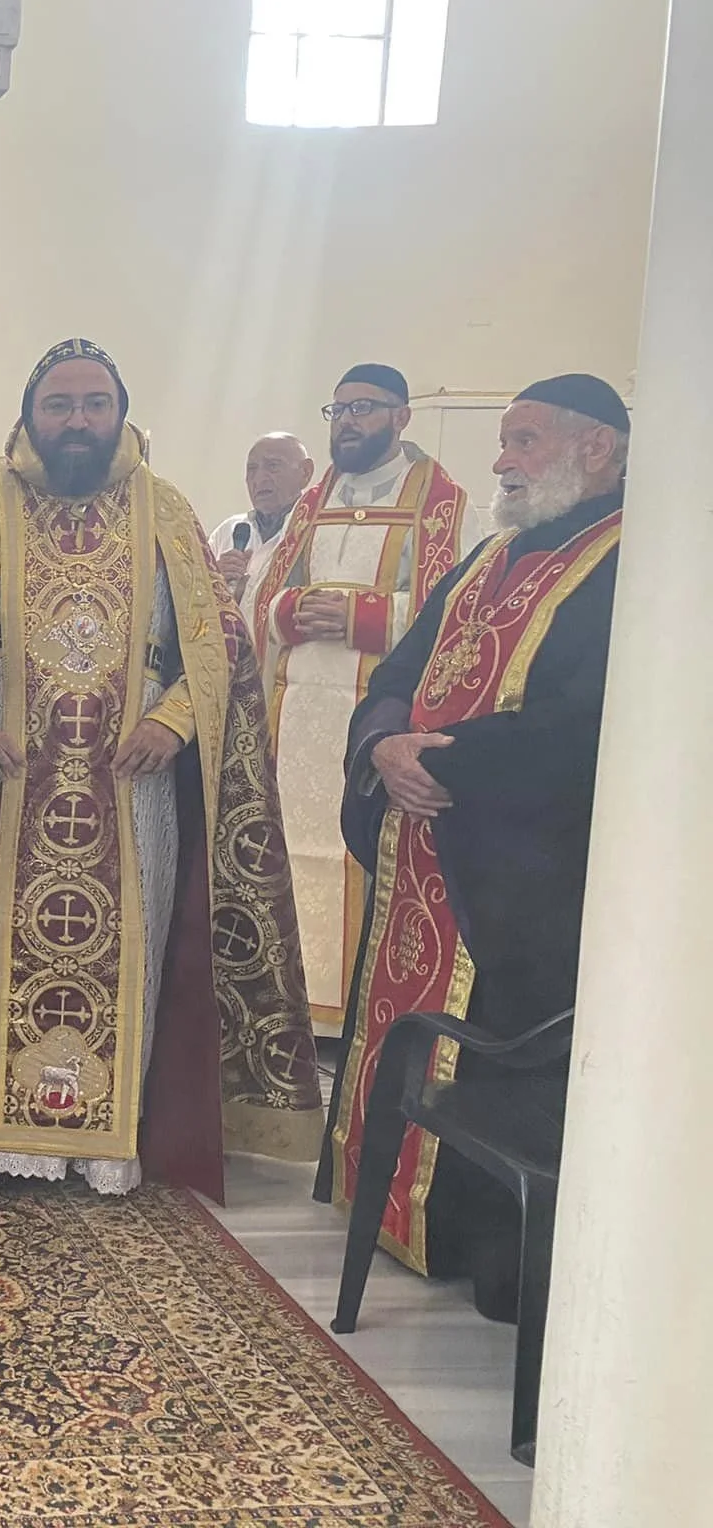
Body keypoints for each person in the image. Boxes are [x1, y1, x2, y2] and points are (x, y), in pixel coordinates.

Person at [0, 339, 322, 1203]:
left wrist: (175, 723)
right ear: (30, 414)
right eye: (59, 404)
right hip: (5, 775)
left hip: (129, 778)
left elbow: (219, 644)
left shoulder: (166, 511)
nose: (77, 420)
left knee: (126, 945)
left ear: (121, 413)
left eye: (94, 403)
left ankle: (106, 1146)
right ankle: (7, 1136)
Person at [317, 374, 628, 1317]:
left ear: (598, 451)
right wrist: (382, 742)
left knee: (493, 1060)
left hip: (517, 881)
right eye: (505, 441)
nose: (502, 460)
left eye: (524, 442)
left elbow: (588, 726)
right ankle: (391, 1203)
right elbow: (403, 666)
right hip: (428, 852)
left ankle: (467, 1238)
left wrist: (443, 760)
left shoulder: (630, 565)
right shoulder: (491, 557)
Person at [248, 365, 480, 1033]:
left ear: (402, 417)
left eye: (364, 409)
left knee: (355, 857)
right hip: (293, 720)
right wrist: (292, 608)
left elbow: (456, 613)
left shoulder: (441, 503)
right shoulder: (312, 499)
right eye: (339, 409)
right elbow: (262, 595)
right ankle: (282, 1003)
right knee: (285, 848)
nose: (347, 422)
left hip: (375, 720)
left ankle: (349, 1011)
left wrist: (363, 616)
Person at [208, 432, 311, 622]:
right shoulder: (229, 530)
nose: (260, 478)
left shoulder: (315, 531)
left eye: (273, 466)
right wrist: (214, 578)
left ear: (305, 472)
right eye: (252, 469)